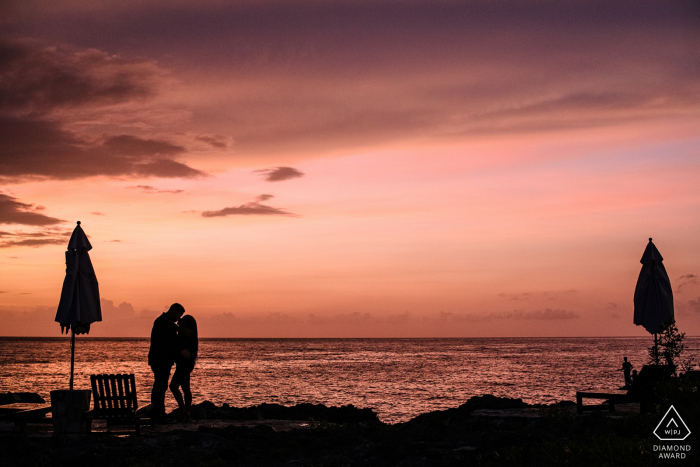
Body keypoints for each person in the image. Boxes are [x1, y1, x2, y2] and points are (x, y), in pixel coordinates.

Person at [148, 303, 186, 422]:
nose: (179, 318)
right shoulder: (163, 324)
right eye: (179, 315)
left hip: (159, 359)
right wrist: (179, 352)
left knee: (160, 386)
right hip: (160, 360)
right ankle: (159, 414)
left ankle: (157, 413)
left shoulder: (163, 322)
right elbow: (167, 344)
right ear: (174, 311)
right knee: (160, 386)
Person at [169, 314, 198, 422]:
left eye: (183, 319)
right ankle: (187, 414)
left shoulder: (186, 333)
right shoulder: (187, 333)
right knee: (186, 389)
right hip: (185, 364)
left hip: (184, 365)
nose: (180, 319)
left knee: (173, 387)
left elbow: (176, 346)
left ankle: (185, 412)